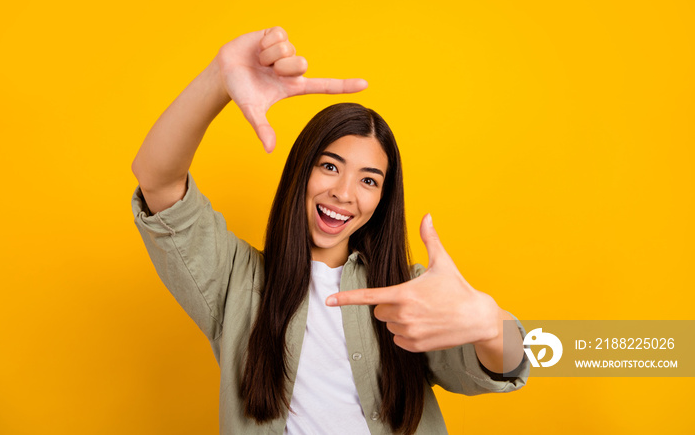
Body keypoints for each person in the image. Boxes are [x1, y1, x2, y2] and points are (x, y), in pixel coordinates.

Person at [131, 27, 529, 435]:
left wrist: (488, 321)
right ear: (302, 171)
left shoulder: (407, 294)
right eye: (330, 166)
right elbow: (158, 182)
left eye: (368, 181)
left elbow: (507, 363)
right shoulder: (235, 281)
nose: (343, 193)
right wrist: (218, 79)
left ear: (382, 201)